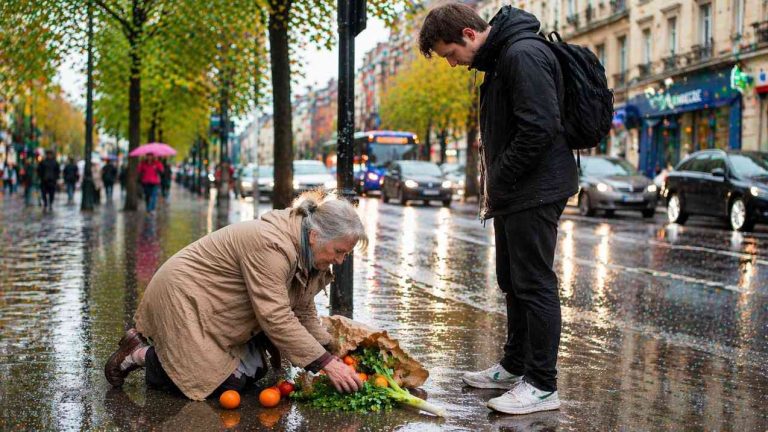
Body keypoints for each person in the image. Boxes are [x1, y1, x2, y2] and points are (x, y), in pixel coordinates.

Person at [419, 4, 578, 415]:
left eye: (450, 53)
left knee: (535, 284)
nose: (452, 63)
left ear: (469, 34)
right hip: (517, 191)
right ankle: (515, 365)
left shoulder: (521, 54)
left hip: (534, 189)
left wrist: (502, 174)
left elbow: (540, 127)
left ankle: (542, 384)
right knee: (512, 280)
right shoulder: (502, 58)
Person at [104, 192, 367, 400]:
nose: (341, 260)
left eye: (346, 254)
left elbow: (303, 307)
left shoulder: (307, 250)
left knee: (256, 372)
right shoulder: (273, 246)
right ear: (314, 236)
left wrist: (330, 350)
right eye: (339, 251)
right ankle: (141, 353)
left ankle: (182, 359)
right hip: (184, 295)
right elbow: (275, 316)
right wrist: (327, 364)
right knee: (220, 384)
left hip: (216, 304)